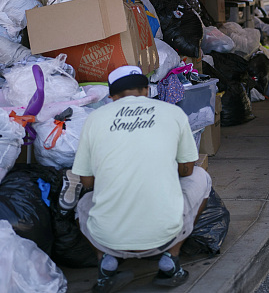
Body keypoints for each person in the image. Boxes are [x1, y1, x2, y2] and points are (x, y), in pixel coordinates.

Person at [68, 65, 212, 292]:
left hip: (109, 238)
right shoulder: (173, 113)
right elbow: (187, 171)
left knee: (82, 203)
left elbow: (88, 183)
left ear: (112, 97)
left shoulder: (94, 119)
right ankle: (170, 260)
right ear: (146, 90)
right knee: (202, 178)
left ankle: (106, 264)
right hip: (163, 235)